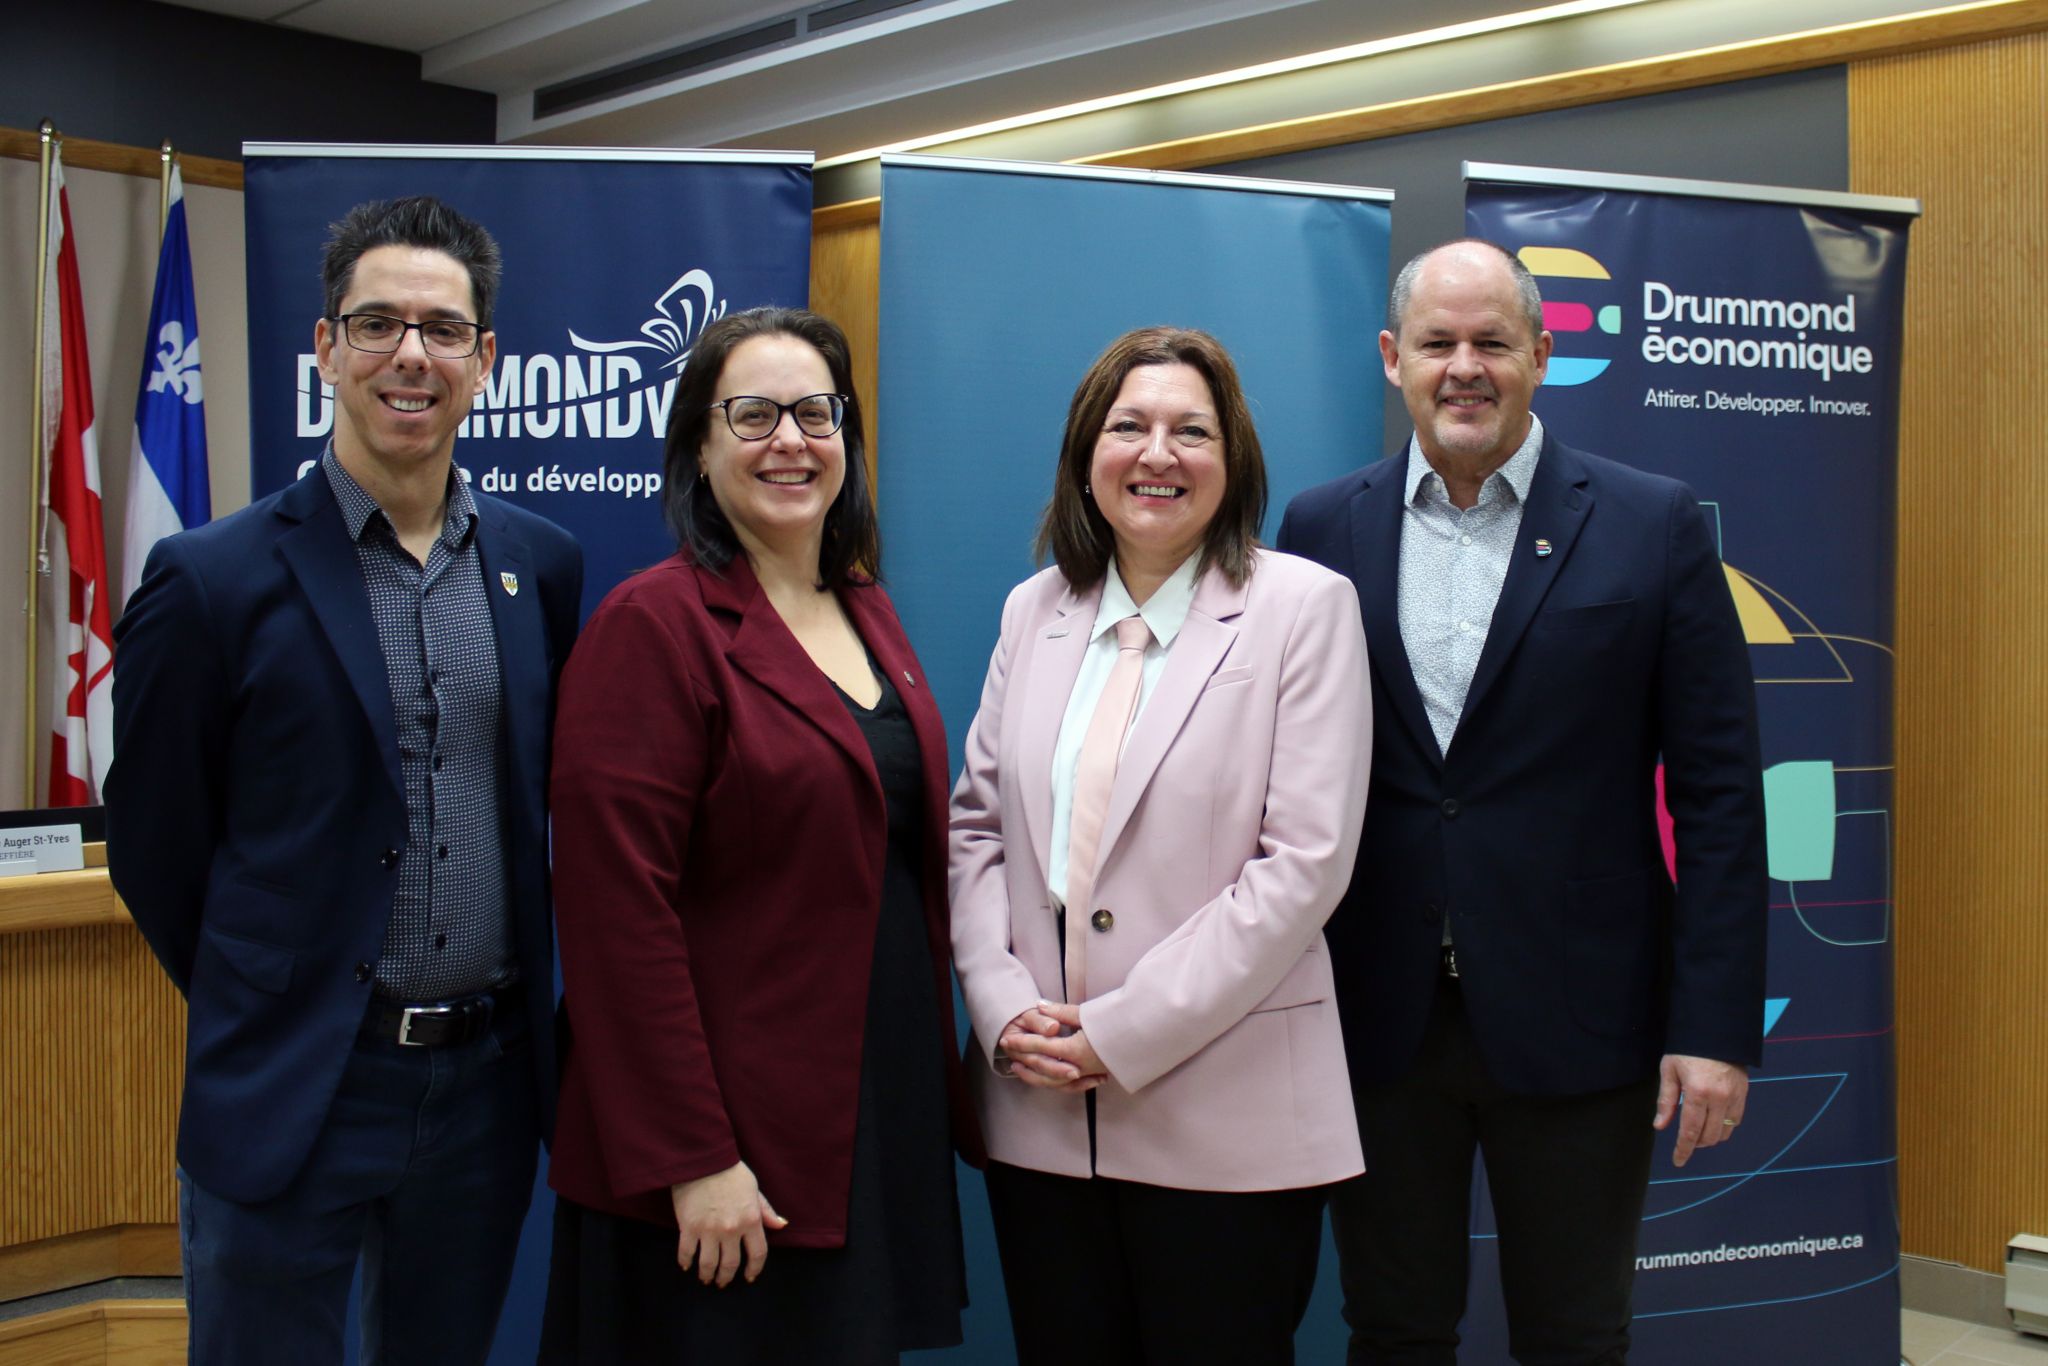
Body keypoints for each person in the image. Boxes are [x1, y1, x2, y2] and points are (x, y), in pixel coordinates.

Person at [106, 196, 583, 1365]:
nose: (409, 355)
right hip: (295, 1083)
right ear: (325, 348)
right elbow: (157, 847)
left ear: (486, 359)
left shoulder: (541, 566)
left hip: (483, 1092)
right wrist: (275, 990)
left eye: (441, 328)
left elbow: (537, 809)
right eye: (376, 324)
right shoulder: (210, 580)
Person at [1276, 238, 1769, 1364]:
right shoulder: (1317, 530)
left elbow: (1717, 794)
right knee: (1391, 1325)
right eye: (1437, 343)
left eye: (1491, 342)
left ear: (1541, 355)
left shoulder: (1651, 523)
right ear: (1391, 358)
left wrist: (1710, 1026)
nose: (1464, 367)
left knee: (1574, 1331)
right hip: (1375, 1016)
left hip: (1583, 1019)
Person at [537, 306, 980, 1364]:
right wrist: (694, 1155)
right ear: (697, 441)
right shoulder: (654, 625)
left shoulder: (864, 608)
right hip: (720, 1156)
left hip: (855, 1115)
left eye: (815, 412)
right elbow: (613, 917)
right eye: (753, 413)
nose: (790, 439)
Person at [949, 325, 1372, 1365]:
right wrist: (1003, 1012)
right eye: (1128, 425)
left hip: (1226, 1121)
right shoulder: (1033, 610)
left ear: (1232, 465)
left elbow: (1301, 866)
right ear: (1085, 453)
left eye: (1191, 430)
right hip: (1039, 1112)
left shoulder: (1301, 608)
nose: (1157, 453)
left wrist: (1121, 1031)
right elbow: (974, 828)